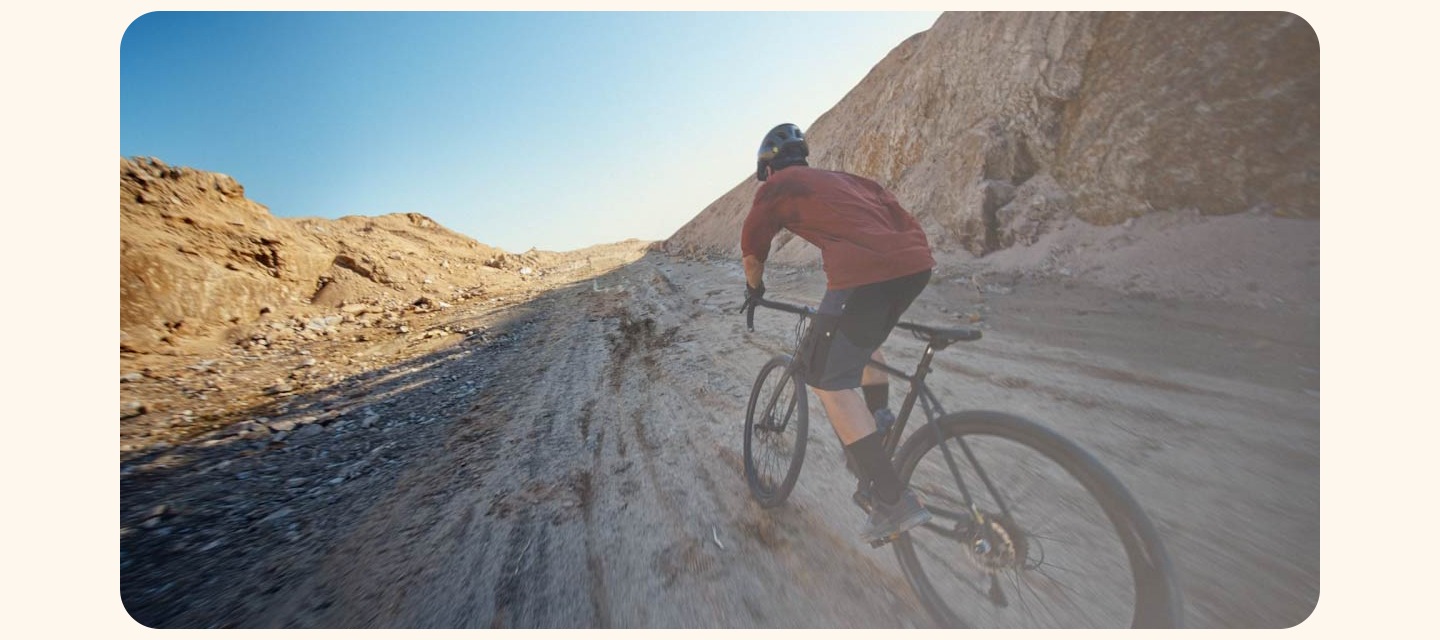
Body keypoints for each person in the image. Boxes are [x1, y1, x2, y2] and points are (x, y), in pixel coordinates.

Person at [739, 123, 936, 544]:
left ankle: (891, 500)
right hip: (915, 264)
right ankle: (878, 420)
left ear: (768, 167)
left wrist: (754, 290)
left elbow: (752, 244)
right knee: (861, 341)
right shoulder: (844, 180)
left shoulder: (779, 185)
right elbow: (893, 212)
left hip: (865, 273)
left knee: (828, 380)